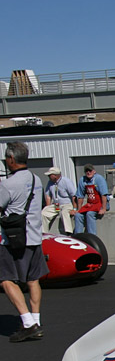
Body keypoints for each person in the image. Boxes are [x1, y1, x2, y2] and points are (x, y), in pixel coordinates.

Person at [0, 142, 48, 342]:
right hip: (34, 235)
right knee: (33, 279)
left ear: (11, 159)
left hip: (13, 238)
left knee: (6, 279)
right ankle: (35, 319)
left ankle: (27, 323)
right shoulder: (35, 179)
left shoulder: (8, 184)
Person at [41, 166, 78, 234]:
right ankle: (44, 232)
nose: (48, 177)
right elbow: (48, 196)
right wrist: (48, 206)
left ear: (55, 175)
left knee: (64, 213)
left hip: (66, 204)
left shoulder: (66, 181)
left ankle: (68, 232)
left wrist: (75, 209)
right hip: (56, 205)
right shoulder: (50, 183)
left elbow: (74, 195)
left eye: (50, 175)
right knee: (44, 213)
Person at [75, 164, 109, 234]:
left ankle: (92, 237)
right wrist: (79, 209)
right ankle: (78, 236)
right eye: (86, 171)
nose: (88, 172)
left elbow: (104, 194)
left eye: (90, 171)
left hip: (101, 203)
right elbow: (80, 196)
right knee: (78, 215)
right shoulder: (82, 180)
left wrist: (103, 208)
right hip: (91, 204)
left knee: (89, 214)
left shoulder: (99, 179)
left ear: (94, 171)